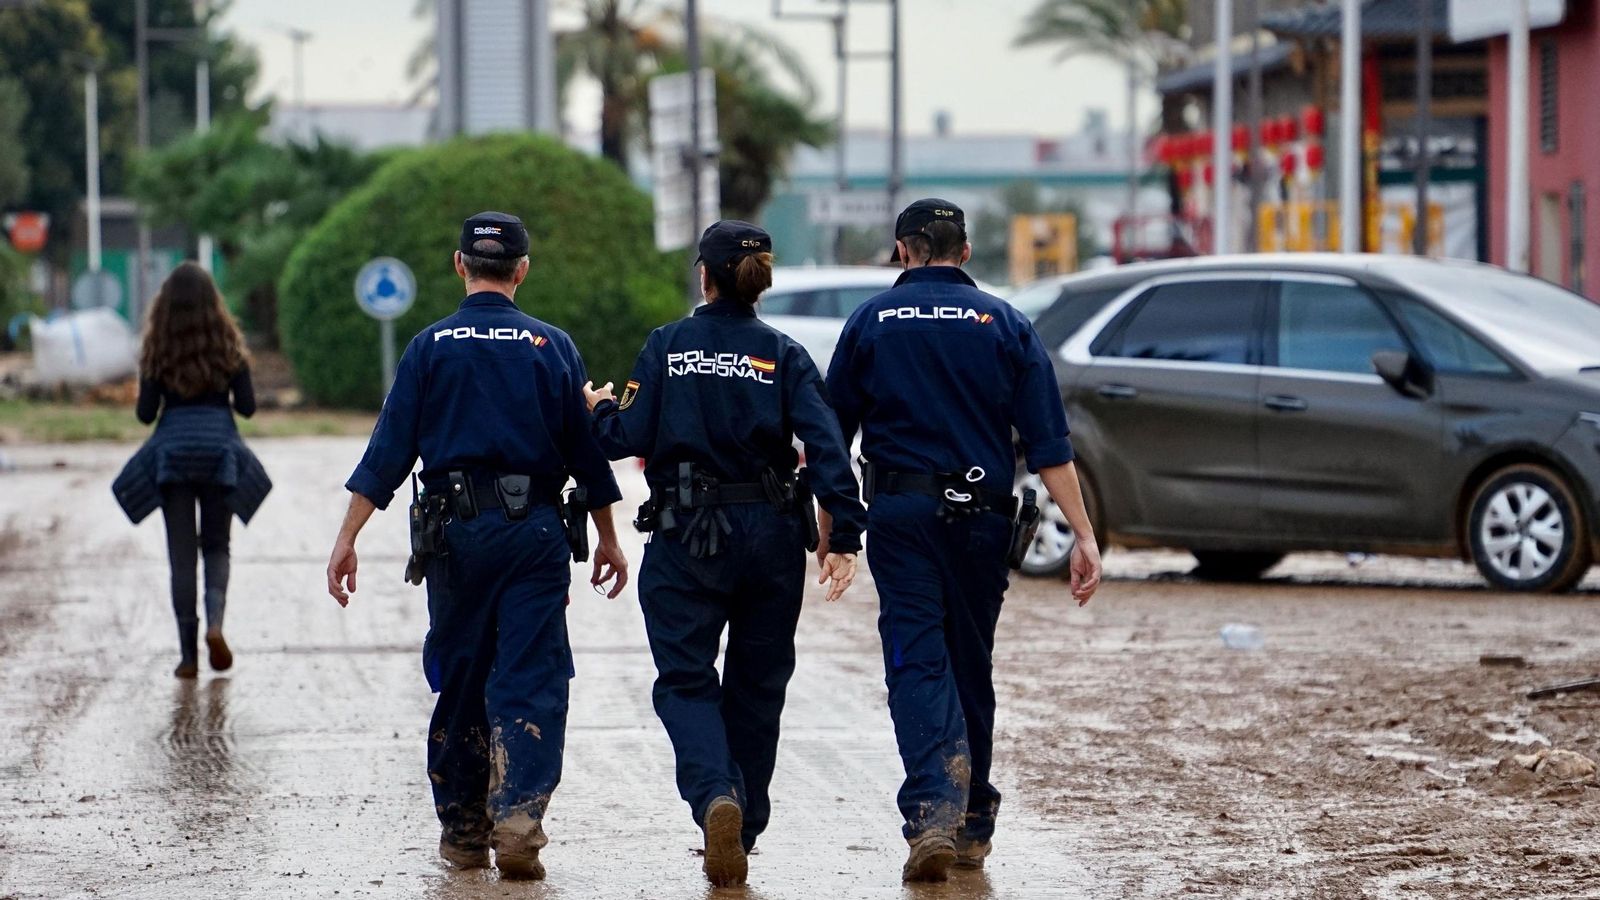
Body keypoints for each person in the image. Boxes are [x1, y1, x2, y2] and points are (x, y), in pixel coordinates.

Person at [324, 212, 629, 881]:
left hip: (455, 536)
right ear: (522, 270)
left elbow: (387, 455)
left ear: (460, 266)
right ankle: (519, 813)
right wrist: (608, 538)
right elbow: (589, 457)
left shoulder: (430, 347)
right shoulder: (553, 348)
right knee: (532, 672)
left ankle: (463, 829)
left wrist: (347, 539)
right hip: (535, 536)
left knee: (461, 674)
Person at [825, 199, 1103, 882]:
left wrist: (836, 526)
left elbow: (831, 436)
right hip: (983, 519)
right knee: (970, 664)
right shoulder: (1005, 322)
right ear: (967, 251)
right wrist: (1086, 536)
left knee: (917, 658)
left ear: (902, 250)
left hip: (901, 513)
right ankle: (972, 820)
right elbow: (1049, 446)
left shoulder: (872, 321)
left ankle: (932, 814)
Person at [582, 221, 866, 888]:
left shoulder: (668, 345)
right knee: (758, 684)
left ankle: (717, 797)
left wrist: (596, 409)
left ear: (704, 278)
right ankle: (747, 820)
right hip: (769, 535)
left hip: (686, 536)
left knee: (685, 679)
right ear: (759, 281)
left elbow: (625, 437)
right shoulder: (784, 352)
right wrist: (844, 538)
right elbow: (828, 448)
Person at [113, 262, 270, 679]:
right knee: (217, 545)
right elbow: (248, 407)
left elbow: (146, 415)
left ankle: (187, 656)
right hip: (219, 453)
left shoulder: (157, 347)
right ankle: (216, 623)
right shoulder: (228, 344)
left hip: (173, 456)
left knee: (181, 557)